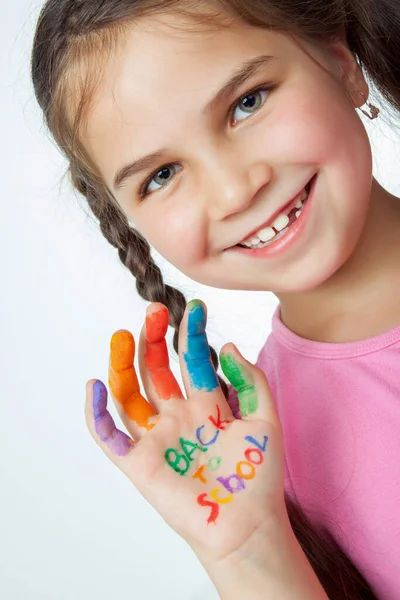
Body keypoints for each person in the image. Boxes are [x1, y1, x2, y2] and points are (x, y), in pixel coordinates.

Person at [30, 0, 400, 598]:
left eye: (246, 102)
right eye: (162, 175)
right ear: (129, 223)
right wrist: (248, 549)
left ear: (339, 62)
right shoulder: (255, 453)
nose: (234, 190)